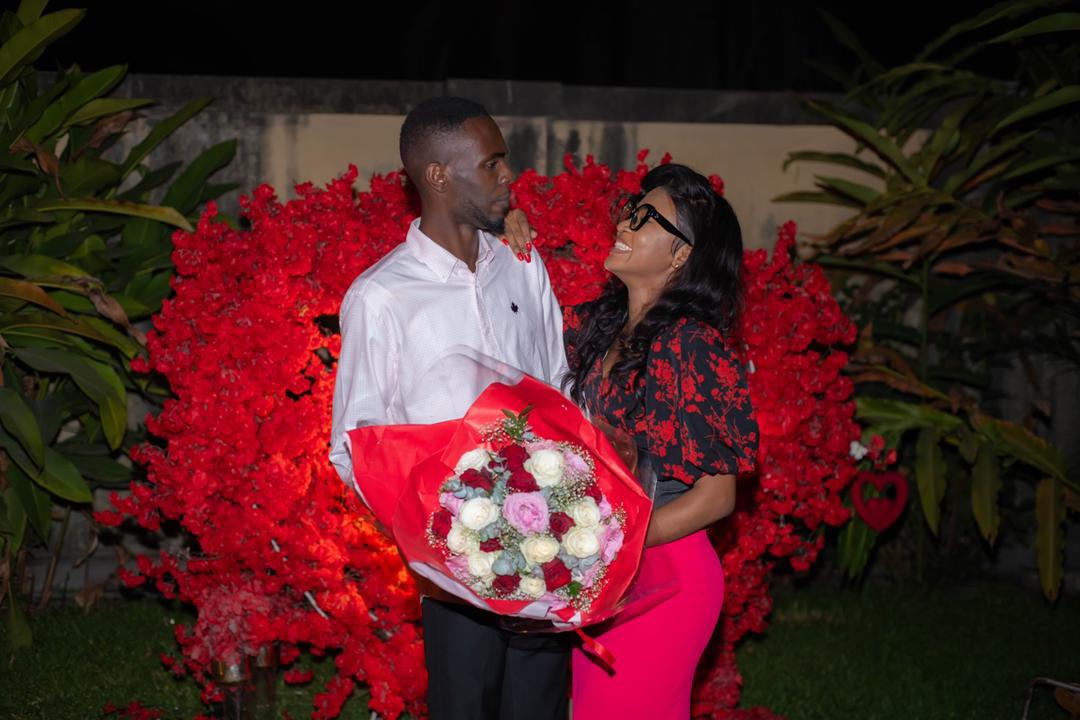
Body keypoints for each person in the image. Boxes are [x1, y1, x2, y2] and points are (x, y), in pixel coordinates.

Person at [329, 97, 571, 719]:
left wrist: (572, 508)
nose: (508, 176)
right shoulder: (382, 296)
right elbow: (356, 445)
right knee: (466, 706)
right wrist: (439, 537)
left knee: (540, 707)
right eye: (491, 164)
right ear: (437, 175)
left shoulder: (522, 264)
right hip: (455, 566)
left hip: (552, 550)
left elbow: (559, 387)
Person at [509, 162, 757, 718]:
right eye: (630, 210)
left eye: (646, 218)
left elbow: (718, 497)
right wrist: (504, 237)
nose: (625, 222)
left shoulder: (692, 346)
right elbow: (517, 325)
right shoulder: (603, 330)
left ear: (681, 254)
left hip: (667, 571)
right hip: (613, 571)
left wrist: (616, 545)